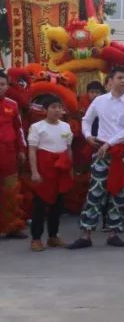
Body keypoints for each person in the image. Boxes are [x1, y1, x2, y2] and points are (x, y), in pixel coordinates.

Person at [68, 67, 124, 249]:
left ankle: (113, 233)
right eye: (120, 78)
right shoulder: (100, 101)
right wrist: (87, 135)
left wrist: (110, 143)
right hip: (102, 151)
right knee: (95, 192)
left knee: (122, 193)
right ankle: (86, 234)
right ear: (110, 80)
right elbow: (86, 120)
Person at [27, 95, 73, 250]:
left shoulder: (66, 127)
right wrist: (34, 172)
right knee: (39, 206)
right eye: (53, 107)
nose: (57, 110)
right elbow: (32, 151)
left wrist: (70, 169)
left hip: (61, 170)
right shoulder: (37, 127)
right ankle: (36, 238)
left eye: (59, 107)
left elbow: (68, 149)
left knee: (58, 205)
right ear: (45, 110)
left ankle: (53, 236)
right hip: (44, 169)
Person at [0, 70, 28, 238]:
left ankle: (12, 226)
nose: (0, 88)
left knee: (11, 191)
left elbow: (19, 130)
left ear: (7, 86)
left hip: (9, 154)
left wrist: (22, 150)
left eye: (2, 84)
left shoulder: (12, 104)